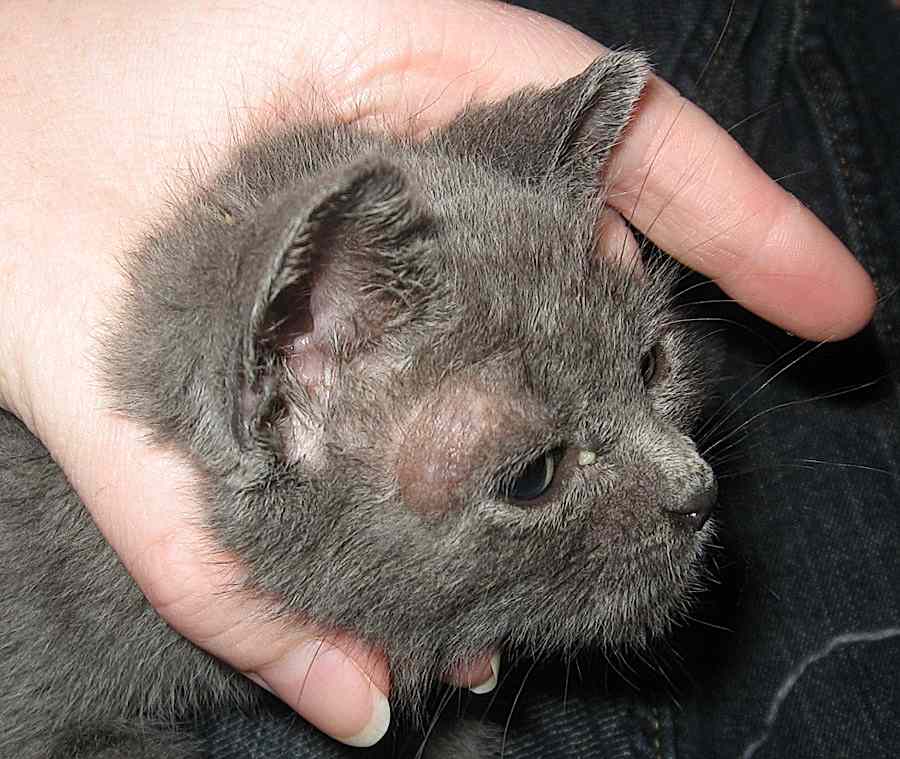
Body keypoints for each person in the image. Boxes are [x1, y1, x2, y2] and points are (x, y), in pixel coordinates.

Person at [2, 1, 896, 756]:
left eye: (649, 364)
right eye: (533, 473)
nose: (687, 473)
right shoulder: (42, 611)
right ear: (289, 399)